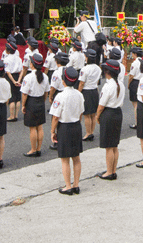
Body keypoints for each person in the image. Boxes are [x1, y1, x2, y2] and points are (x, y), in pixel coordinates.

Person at [50, 67, 84, 195]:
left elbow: (55, 117)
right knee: (76, 157)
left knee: (65, 159)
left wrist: (53, 131)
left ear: (63, 81)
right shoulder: (79, 95)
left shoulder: (60, 96)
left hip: (64, 127)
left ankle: (68, 186)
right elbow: (81, 113)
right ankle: (76, 184)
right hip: (76, 126)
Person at [96, 60, 125, 179]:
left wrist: (97, 116)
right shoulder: (120, 84)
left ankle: (109, 172)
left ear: (108, 72)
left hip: (108, 113)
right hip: (117, 113)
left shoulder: (108, 85)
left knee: (109, 146)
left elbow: (101, 105)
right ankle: (113, 170)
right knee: (114, 145)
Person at [21, 54, 49, 157]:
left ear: (32, 64)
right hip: (40, 101)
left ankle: (33, 149)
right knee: (40, 127)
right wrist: (43, 100)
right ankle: (38, 149)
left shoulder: (28, 77)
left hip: (31, 102)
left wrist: (23, 105)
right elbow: (46, 92)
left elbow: (25, 93)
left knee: (32, 128)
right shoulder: (45, 76)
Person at [78, 49, 101, 142]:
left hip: (86, 91)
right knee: (93, 114)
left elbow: (81, 83)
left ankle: (88, 133)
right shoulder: (98, 68)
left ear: (87, 58)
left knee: (87, 114)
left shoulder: (85, 69)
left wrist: (78, 93)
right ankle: (91, 132)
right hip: (94, 90)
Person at [2, 40, 23, 122]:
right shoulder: (19, 58)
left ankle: (11, 116)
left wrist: (14, 81)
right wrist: (18, 80)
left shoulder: (6, 59)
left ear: (8, 50)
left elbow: (8, 72)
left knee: (11, 97)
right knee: (17, 97)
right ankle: (16, 115)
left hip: (10, 78)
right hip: (18, 76)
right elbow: (21, 70)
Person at [128, 47, 143, 129]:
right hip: (142, 82)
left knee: (135, 105)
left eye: (133, 53)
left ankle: (137, 123)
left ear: (135, 54)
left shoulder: (135, 63)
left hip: (135, 82)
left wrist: (128, 84)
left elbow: (131, 76)